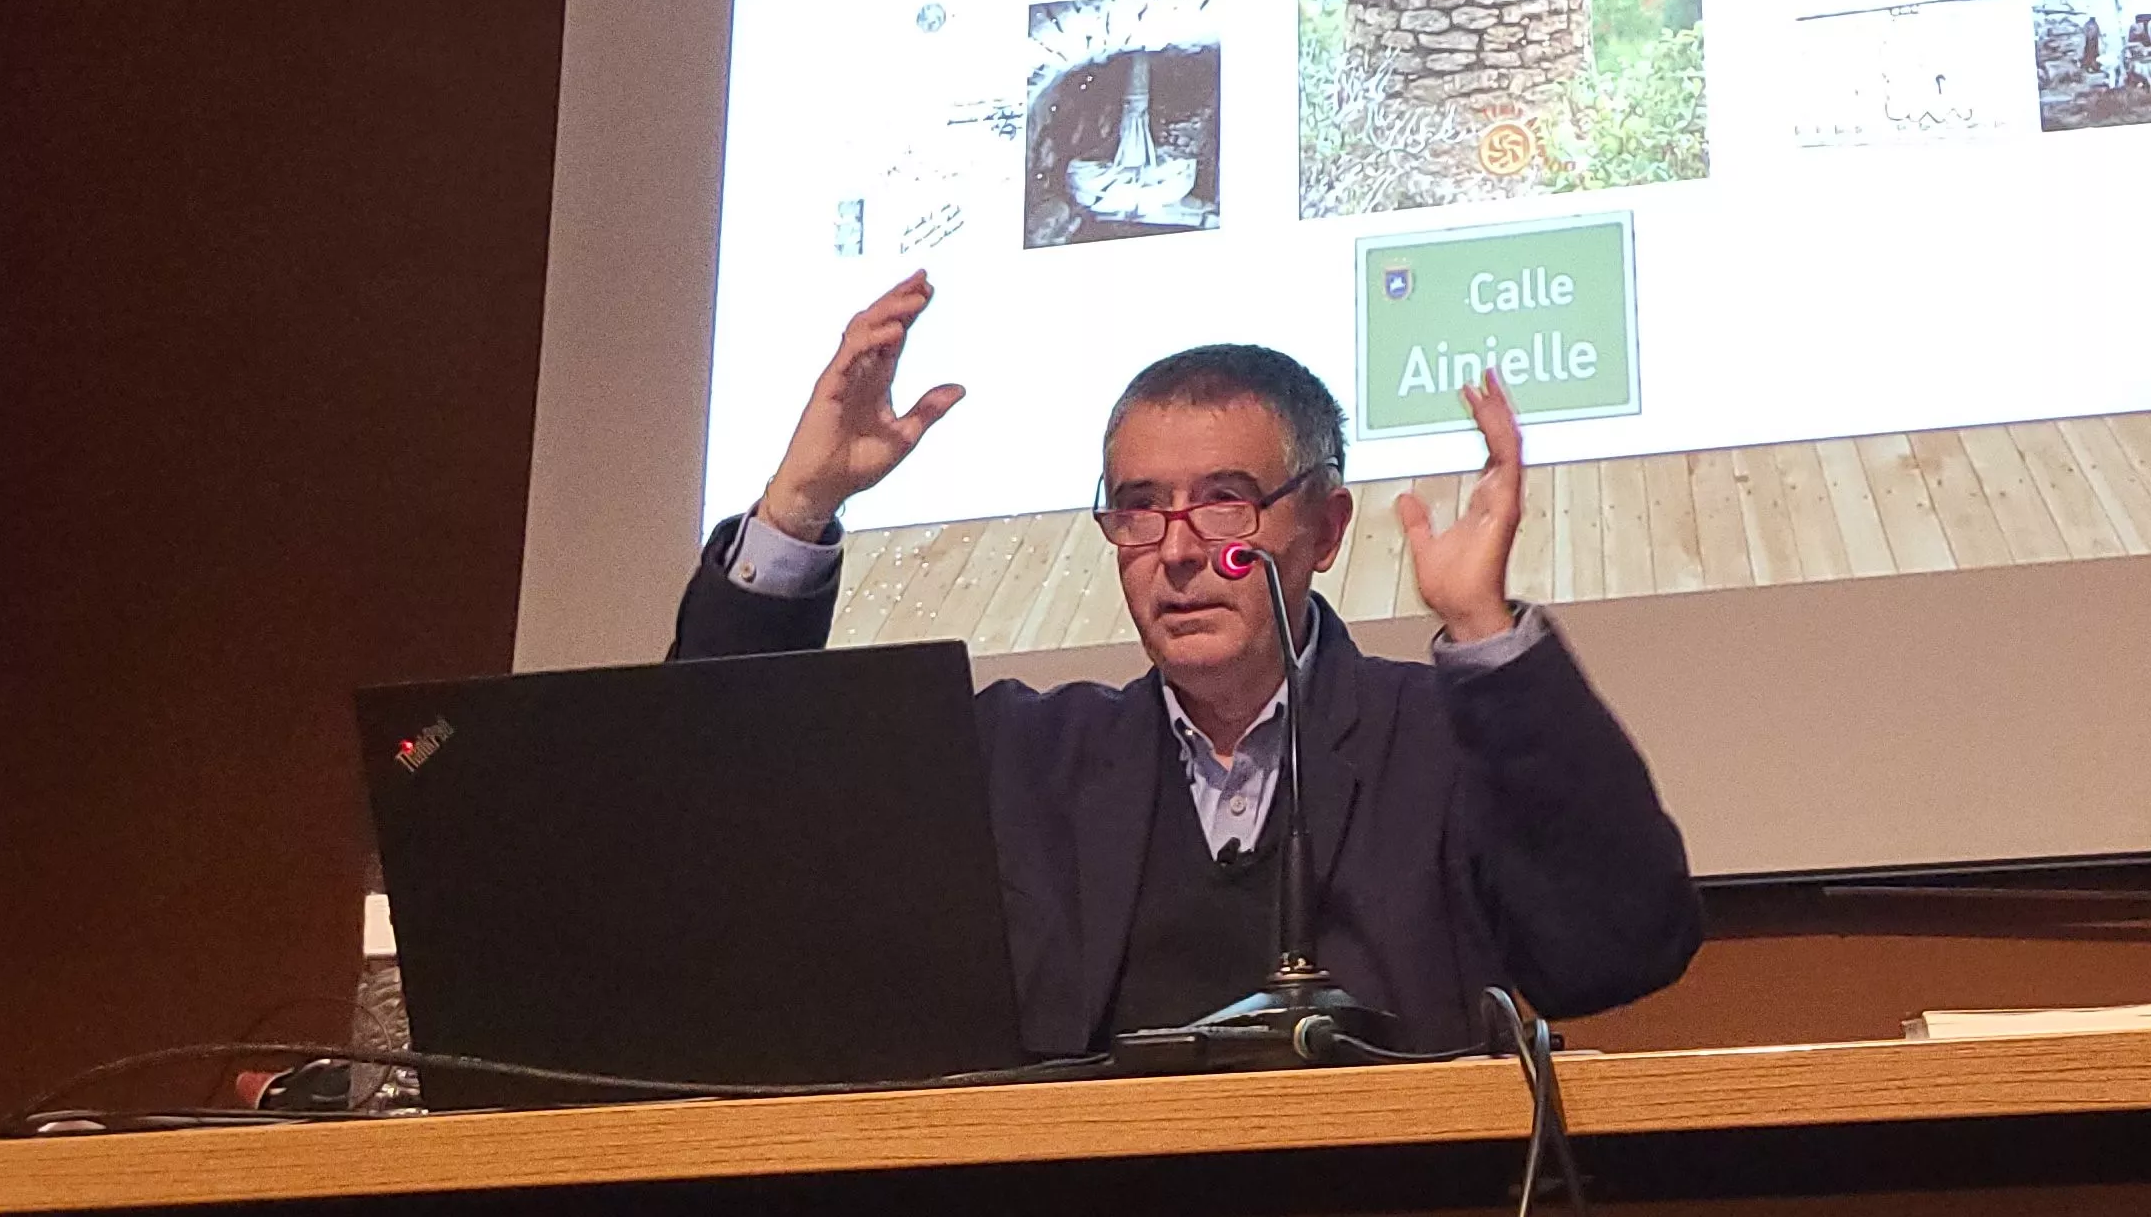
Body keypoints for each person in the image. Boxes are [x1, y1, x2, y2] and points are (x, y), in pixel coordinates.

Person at [672, 271, 1702, 1056]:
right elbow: (729, 813)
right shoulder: (1020, 757)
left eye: (1223, 499)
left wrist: (1483, 626)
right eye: (1138, 505)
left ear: (1325, 525)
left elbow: (1619, 944)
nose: (1175, 547)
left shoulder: (1442, 737)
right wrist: (798, 509)